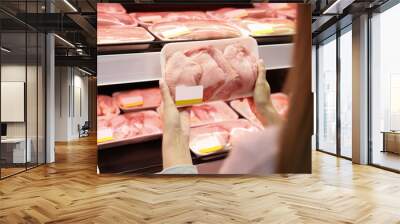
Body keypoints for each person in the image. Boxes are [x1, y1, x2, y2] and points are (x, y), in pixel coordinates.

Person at [159, 5, 312, 174]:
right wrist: (266, 109)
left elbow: (187, 197)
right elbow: (295, 148)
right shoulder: (312, 151)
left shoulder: (253, 153)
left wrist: (174, 136)